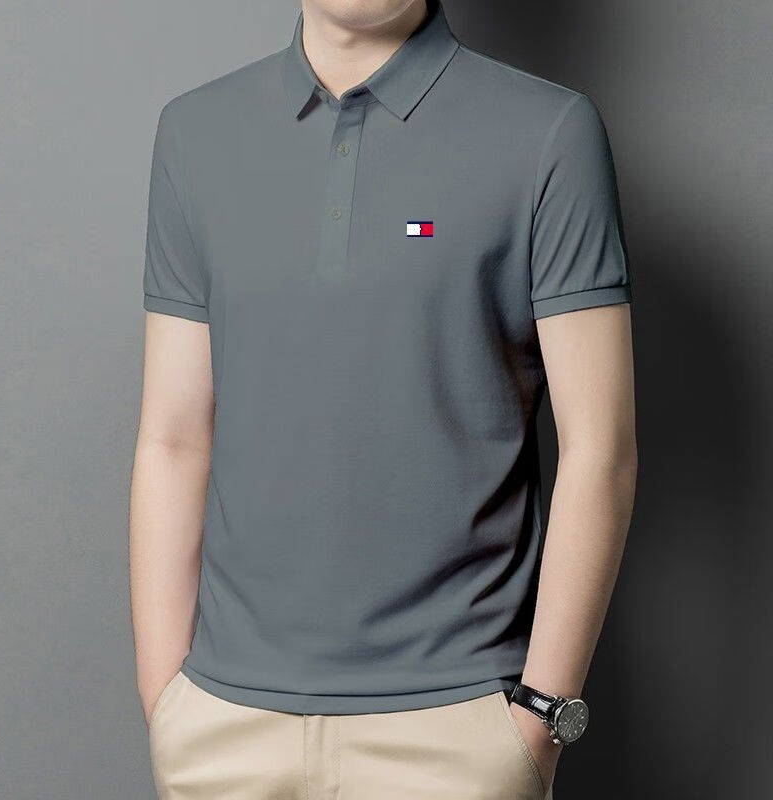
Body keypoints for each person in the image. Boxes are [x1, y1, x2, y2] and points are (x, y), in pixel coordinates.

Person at [129, 0, 637, 797]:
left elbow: (600, 448)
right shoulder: (195, 133)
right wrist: (168, 702)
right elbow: (174, 436)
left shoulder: (548, 132)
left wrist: (540, 716)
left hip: (457, 725)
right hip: (224, 727)